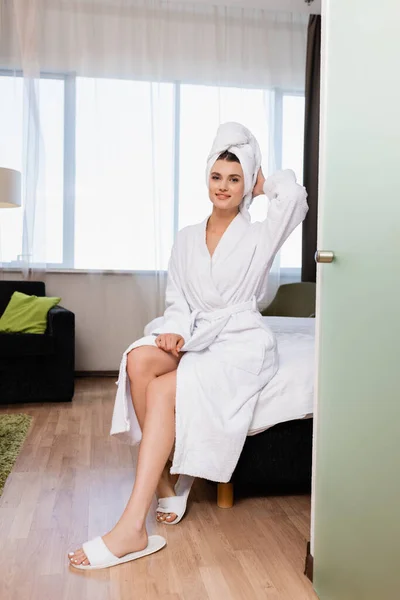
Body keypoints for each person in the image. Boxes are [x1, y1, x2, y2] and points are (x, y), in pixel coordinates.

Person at [68, 122, 308, 569]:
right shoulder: (184, 238)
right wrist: (176, 328)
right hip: (197, 331)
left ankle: (132, 527)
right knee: (139, 359)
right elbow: (177, 297)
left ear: (246, 185)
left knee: (162, 390)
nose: (224, 187)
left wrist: (265, 181)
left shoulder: (259, 236)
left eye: (235, 179)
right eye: (217, 177)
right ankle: (162, 481)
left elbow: (294, 200)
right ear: (207, 179)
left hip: (239, 341)